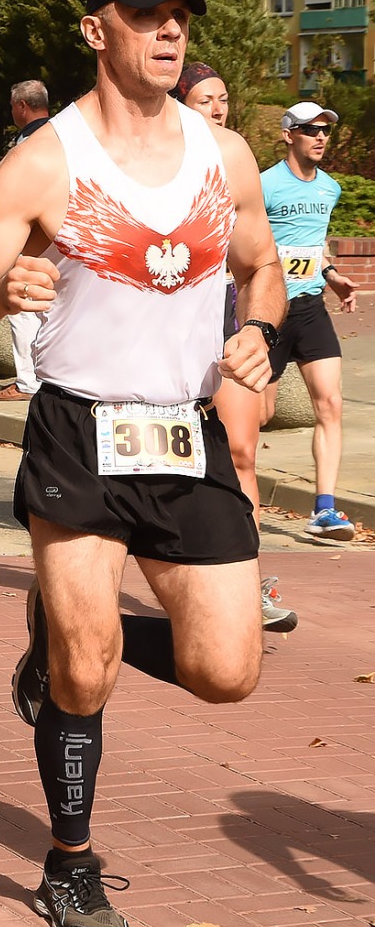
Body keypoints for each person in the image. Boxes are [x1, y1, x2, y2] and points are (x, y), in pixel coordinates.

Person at [0, 0, 286, 927]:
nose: (168, 33)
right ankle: (68, 865)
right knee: (86, 672)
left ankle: (59, 633)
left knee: (227, 669)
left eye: (178, 18)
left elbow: (261, 269)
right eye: (145, 16)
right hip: (78, 431)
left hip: (184, 432)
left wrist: (261, 331)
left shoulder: (224, 154)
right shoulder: (47, 160)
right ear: (96, 31)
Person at [174, 63, 295, 632]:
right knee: (170, 466)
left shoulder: (236, 160)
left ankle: (248, 583)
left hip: (226, 314)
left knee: (242, 451)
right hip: (168, 321)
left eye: (222, 98)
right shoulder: (152, 164)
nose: (218, 108)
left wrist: (257, 330)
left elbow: (260, 259)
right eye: (205, 99)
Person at [259, 101, 356, 541]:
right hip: (269, 311)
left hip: (311, 307)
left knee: (330, 404)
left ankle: (324, 510)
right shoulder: (264, 185)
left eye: (325, 131)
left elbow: (315, 245)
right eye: (309, 129)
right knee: (259, 415)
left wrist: (331, 275)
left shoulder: (329, 188)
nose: (319, 137)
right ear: (288, 135)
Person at [0, 80, 56, 403]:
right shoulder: (62, 134)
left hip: (32, 236)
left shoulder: (29, 142)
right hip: (62, 236)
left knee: (24, 307)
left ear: (21, 106)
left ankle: (28, 381)